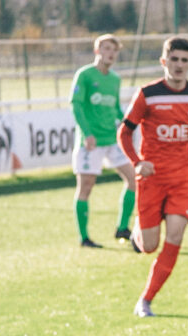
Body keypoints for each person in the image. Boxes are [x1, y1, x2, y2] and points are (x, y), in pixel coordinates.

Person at [118, 37, 188, 318]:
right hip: (151, 179)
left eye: (185, 60)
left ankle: (145, 300)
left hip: (182, 178)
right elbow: (124, 132)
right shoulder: (147, 94)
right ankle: (139, 230)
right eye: (174, 59)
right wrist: (137, 162)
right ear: (164, 62)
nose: (179, 65)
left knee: (175, 235)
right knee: (149, 247)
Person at [69, 34, 137, 248]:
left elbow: (115, 108)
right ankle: (84, 238)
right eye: (106, 48)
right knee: (86, 187)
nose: (111, 53)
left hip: (112, 139)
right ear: (97, 51)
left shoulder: (115, 79)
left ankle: (122, 227)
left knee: (134, 180)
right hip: (91, 142)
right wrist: (87, 133)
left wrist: (128, 124)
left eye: (114, 50)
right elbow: (76, 106)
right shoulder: (85, 75)